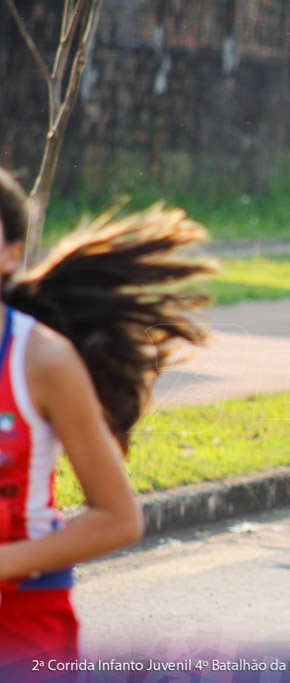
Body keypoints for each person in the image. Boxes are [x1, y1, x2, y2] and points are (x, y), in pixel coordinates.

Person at [0, 167, 214, 669]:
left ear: (11, 253)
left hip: (21, 619)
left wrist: (5, 564)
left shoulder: (41, 359)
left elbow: (117, 518)